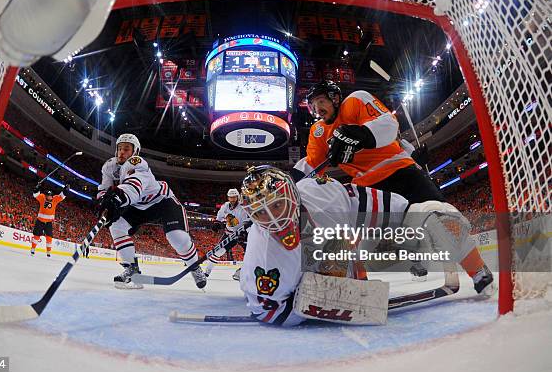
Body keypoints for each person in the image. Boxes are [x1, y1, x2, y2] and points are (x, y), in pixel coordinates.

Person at [238, 165, 494, 327]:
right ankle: (355, 279)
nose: (274, 219)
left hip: (351, 252)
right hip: (310, 286)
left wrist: (421, 220)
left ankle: (479, 272)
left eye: (276, 205)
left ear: (292, 194)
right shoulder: (262, 258)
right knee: (331, 256)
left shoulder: (321, 193)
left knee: (438, 217)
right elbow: (269, 311)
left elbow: (378, 208)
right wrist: (315, 306)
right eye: (260, 213)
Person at [294, 81, 446, 280]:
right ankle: (410, 259)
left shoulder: (356, 100)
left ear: (335, 98)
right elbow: (313, 164)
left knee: (440, 213)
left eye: (321, 101)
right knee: (377, 238)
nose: (316, 109)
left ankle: (472, 262)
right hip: (369, 186)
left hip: (400, 170)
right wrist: (292, 182)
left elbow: (388, 125)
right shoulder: (318, 132)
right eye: (312, 106)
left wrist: (358, 135)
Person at [97, 133, 207, 289]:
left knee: (177, 238)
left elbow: (133, 186)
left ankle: (195, 267)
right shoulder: (109, 166)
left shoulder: (138, 162)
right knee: (116, 225)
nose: (122, 152)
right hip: (137, 205)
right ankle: (131, 269)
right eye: (119, 148)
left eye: (127, 149)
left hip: (161, 202)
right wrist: (104, 205)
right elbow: (103, 188)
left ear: (135, 152)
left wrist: (118, 197)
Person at [207, 188, 249, 280]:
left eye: (234, 197)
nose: (232, 199)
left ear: (237, 197)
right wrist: (217, 223)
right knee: (218, 252)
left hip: (242, 234)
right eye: (230, 197)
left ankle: (242, 271)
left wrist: (244, 231)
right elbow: (220, 217)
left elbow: (249, 220)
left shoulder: (243, 206)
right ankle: (206, 273)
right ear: (228, 198)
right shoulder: (225, 206)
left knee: (250, 254)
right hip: (229, 234)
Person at [31, 183, 69, 257]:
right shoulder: (42, 197)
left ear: (52, 196)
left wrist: (65, 190)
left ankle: (48, 252)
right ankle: (33, 249)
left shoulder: (55, 199)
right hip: (40, 221)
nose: (48, 197)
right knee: (36, 236)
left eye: (50, 196)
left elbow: (62, 196)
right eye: (47, 195)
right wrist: (37, 188)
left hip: (48, 222)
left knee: (49, 237)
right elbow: (35, 195)